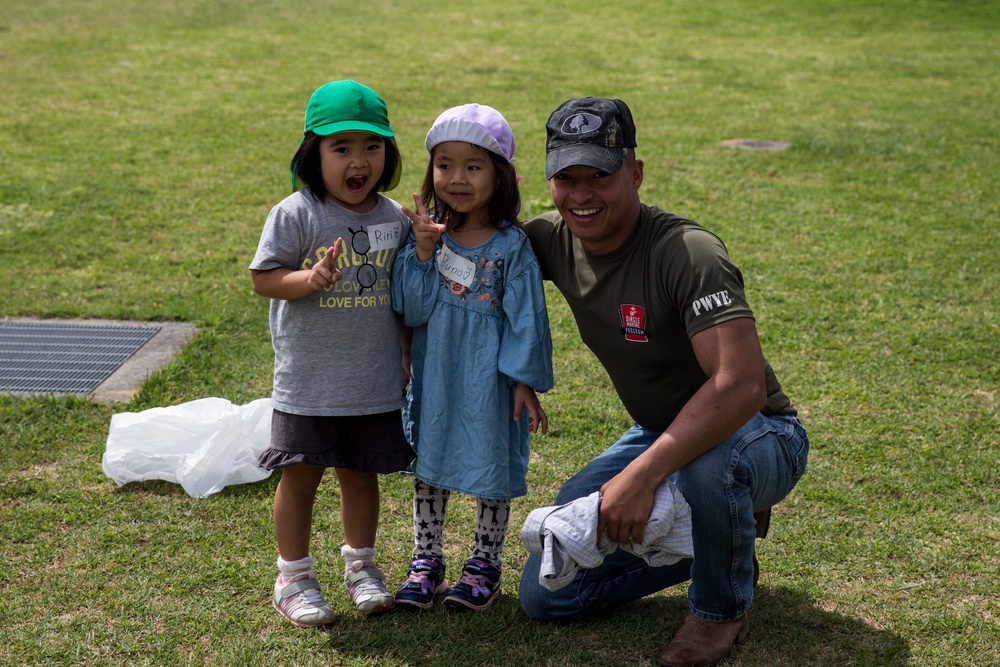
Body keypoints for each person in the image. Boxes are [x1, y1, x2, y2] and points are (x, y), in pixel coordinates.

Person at [518, 97, 809, 667]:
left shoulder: (688, 253)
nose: (581, 195)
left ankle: (718, 612)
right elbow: (477, 255)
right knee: (548, 594)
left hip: (760, 433)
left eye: (599, 176)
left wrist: (640, 477)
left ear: (637, 172)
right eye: (566, 178)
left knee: (710, 469)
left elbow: (741, 386)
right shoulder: (549, 240)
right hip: (662, 430)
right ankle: (726, 536)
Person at [250, 80, 414, 627]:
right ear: (312, 153)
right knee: (301, 476)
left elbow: (406, 294)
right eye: (340, 148)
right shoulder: (295, 213)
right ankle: (292, 577)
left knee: (360, 473)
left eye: (371, 147)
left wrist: (407, 354)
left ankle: (361, 567)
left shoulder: (395, 218)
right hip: (309, 382)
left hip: (373, 380)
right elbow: (265, 279)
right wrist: (310, 277)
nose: (358, 160)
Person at [390, 104, 554, 612]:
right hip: (436, 374)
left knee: (490, 460)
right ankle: (426, 559)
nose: (456, 179)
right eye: (445, 165)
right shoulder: (428, 237)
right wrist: (419, 253)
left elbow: (527, 318)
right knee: (430, 461)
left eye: (473, 166)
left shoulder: (512, 247)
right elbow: (409, 308)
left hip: (490, 380)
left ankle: (485, 562)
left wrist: (524, 382)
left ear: (499, 175)